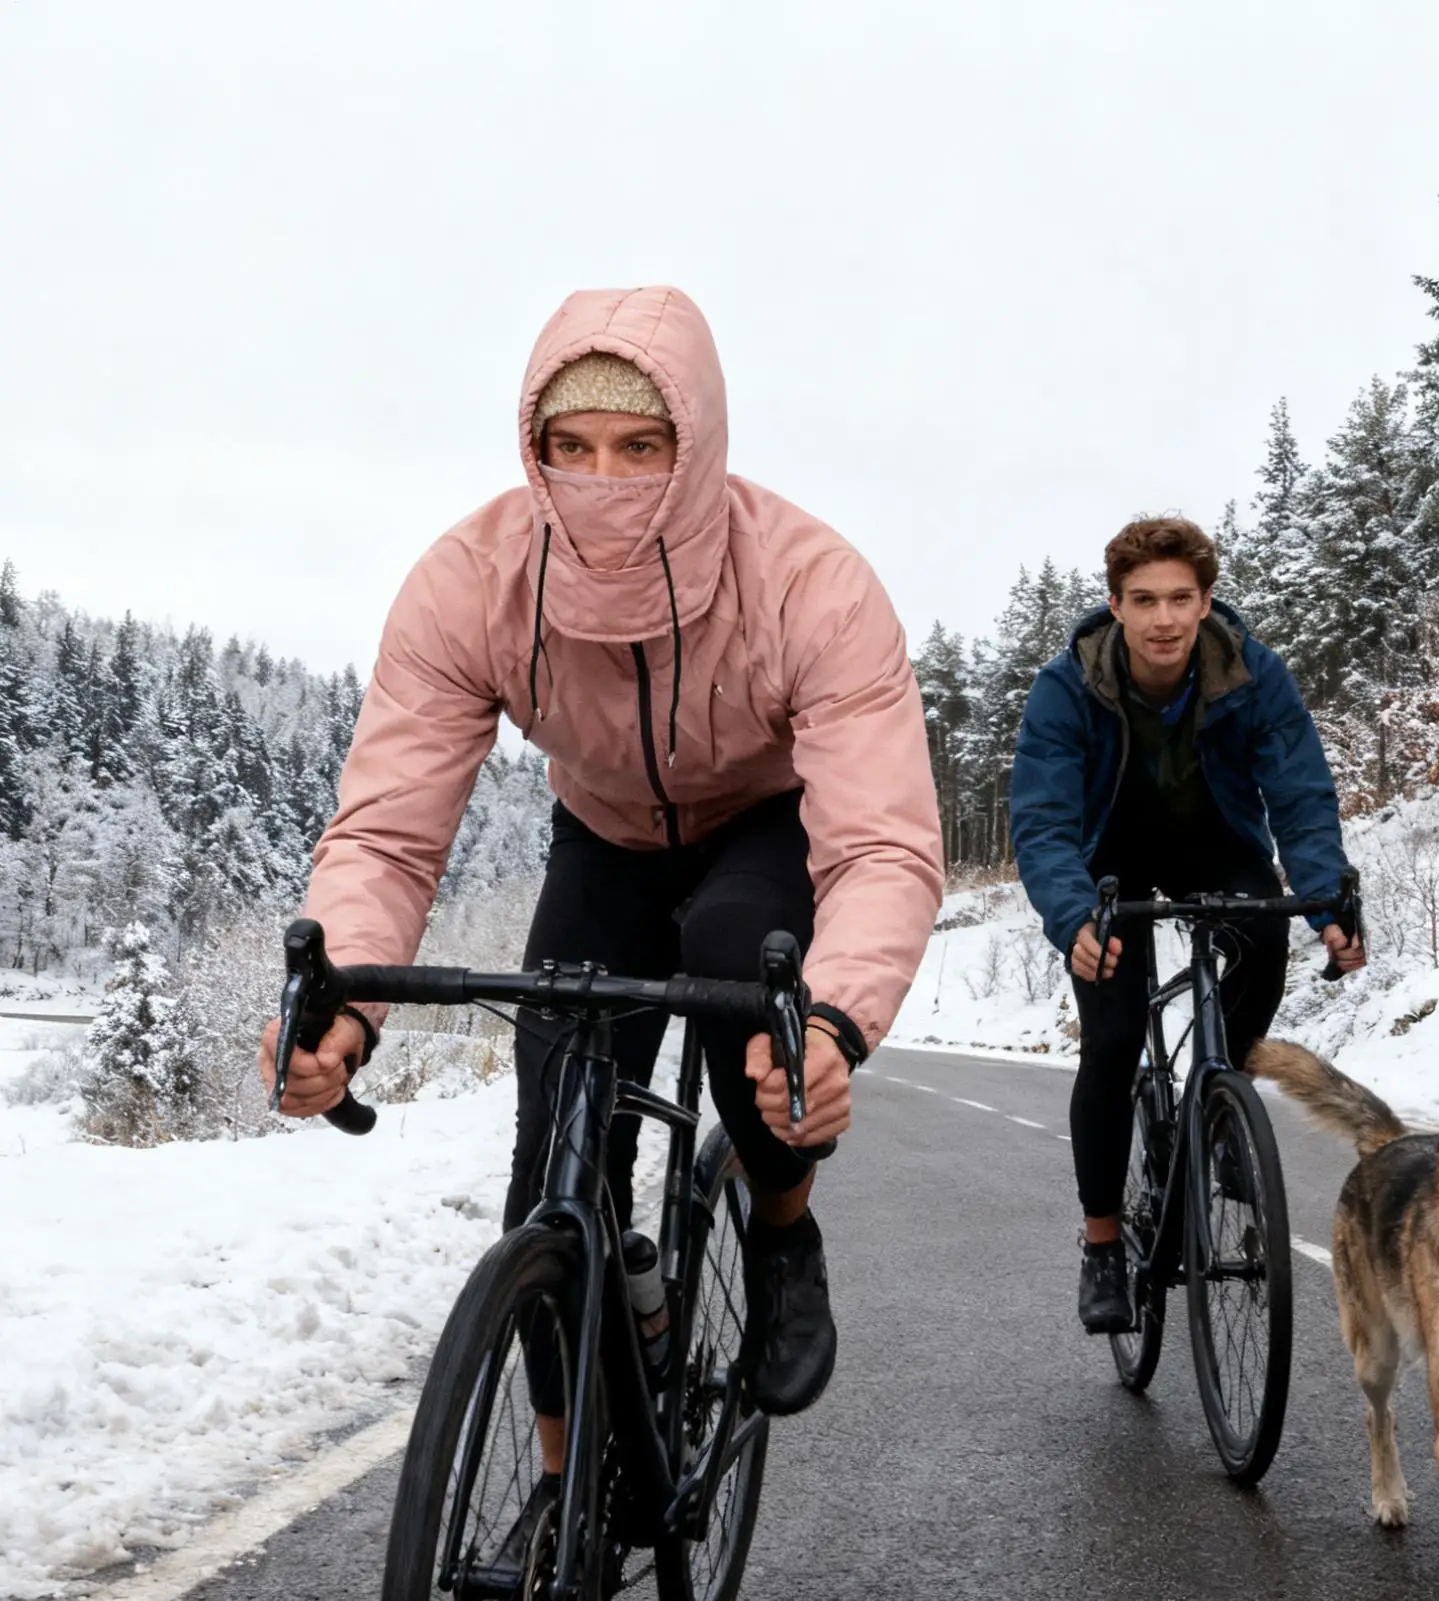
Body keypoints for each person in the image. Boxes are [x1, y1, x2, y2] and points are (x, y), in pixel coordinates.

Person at [257, 286, 943, 1461]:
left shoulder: (811, 581)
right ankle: (564, 1469)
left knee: (748, 977)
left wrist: (832, 1018)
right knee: (551, 1165)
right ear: (531, 450)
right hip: (605, 840)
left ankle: (782, 1228)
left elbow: (879, 840)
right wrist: (342, 1006)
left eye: (638, 446)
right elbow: (387, 831)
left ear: (696, 449)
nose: (601, 478)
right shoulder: (470, 580)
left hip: (763, 828)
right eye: (567, 449)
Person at [1009, 516, 1364, 1333]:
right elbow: (1042, 821)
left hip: (1215, 844)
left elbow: (1300, 792)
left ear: (1205, 602)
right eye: (1143, 600)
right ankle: (1102, 1243)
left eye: (1179, 598)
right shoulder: (1066, 686)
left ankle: (1218, 1096)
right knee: (1110, 1037)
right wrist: (1072, 918)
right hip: (1108, 861)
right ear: (1114, 604)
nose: (1162, 618)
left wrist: (1324, 897)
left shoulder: (1250, 673)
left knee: (1260, 930)